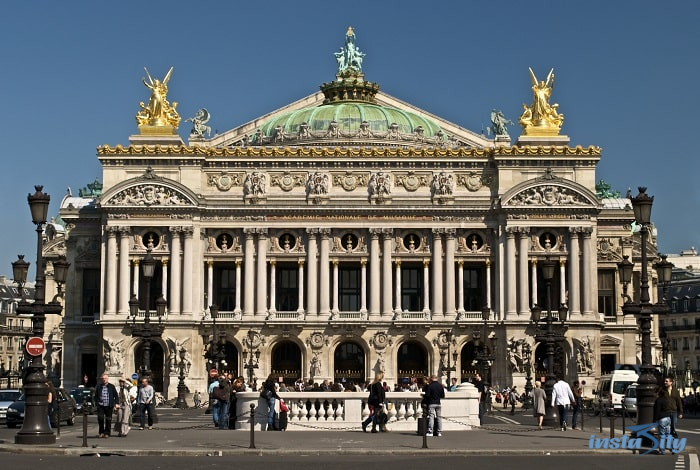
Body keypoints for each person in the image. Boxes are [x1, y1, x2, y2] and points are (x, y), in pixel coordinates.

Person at [94, 373, 119, 438]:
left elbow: (116, 395)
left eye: (105, 378)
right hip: (101, 405)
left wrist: (116, 403)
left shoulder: (111, 386)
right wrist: (97, 403)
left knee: (108, 420)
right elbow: (96, 396)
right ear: (101, 379)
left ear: (107, 379)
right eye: (103, 379)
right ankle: (101, 432)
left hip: (109, 405)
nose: (104, 380)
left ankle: (107, 433)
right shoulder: (99, 386)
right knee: (100, 419)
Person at [654, 388, 674, 455]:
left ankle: (662, 451)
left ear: (658, 393)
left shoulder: (658, 400)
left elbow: (657, 411)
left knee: (662, 435)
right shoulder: (667, 400)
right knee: (668, 435)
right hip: (668, 418)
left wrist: (654, 420)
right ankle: (673, 448)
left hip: (662, 419)